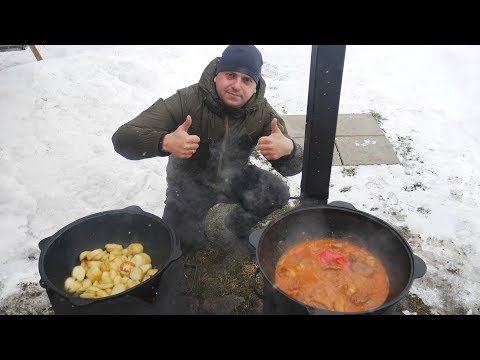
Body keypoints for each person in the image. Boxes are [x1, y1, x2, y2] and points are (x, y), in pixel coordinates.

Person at [112, 45, 303, 255]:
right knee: (178, 246)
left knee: (276, 192)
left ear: (255, 87)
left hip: (234, 177)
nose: (237, 85)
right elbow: (122, 137)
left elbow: (293, 167)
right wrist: (164, 142)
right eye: (230, 75)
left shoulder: (263, 113)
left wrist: (289, 149)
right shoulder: (187, 101)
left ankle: (236, 225)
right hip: (188, 186)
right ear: (216, 76)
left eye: (246, 80)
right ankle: (188, 237)